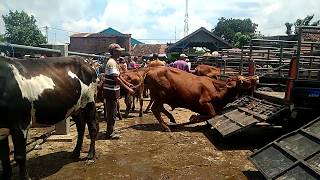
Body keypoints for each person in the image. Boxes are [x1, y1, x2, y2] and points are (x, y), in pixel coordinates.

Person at [104, 43, 135, 139]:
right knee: (112, 113)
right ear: (113, 52)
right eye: (118, 51)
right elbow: (116, 78)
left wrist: (127, 83)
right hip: (111, 91)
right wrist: (128, 88)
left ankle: (111, 130)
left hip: (113, 90)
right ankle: (110, 133)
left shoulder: (114, 62)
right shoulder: (112, 63)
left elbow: (120, 76)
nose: (120, 53)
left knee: (113, 111)